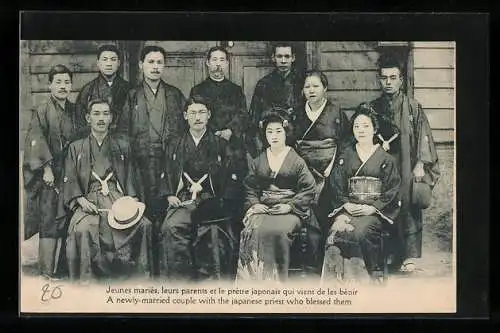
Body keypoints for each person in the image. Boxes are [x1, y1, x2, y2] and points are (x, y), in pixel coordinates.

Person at [60, 98, 153, 283]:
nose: (101, 119)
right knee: (85, 228)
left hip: (117, 196)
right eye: (96, 114)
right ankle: (88, 279)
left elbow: (130, 178)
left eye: (105, 114)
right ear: (88, 118)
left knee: (144, 224)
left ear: (111, 118)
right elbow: (69, 179)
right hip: (89, 198)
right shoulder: (76, 147)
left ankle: (137, 277)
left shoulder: (122, 145)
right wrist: (80, 200)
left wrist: (131, 200)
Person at [159, 95, 248, 281]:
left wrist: (223, 201)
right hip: (184, 197)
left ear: (209, 115)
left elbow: (233, 177)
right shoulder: (175, 144)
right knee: (171, 227)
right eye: (192, 113)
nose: (197, 117)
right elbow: (166, 172)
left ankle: (210, 283)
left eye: (201, 112)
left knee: (212, 230)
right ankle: (180, 282)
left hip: (211, 198)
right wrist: (169, 195)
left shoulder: (221, 144)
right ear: (185, 116)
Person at [369, 55, 440, 273]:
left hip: (406, 163)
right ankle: (389, 252)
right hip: (382, 164)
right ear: (379, 81)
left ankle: (409, 255)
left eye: (393, 77)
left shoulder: (412, 107)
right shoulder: (372, 107)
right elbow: (361, 134)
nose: (388, 82)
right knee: (385, 203)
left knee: (407, 204)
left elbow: (424, 137)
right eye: (384, 78)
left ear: (401, 80)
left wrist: (421, 163)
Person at [320, 105, 401, 283]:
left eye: (366, 126)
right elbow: (336, 185)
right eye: (357, 126)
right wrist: (346, 204)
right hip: (348, 209)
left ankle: (369, 278)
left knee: (362, 231)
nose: (361, 130)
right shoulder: (345, 156)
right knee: (335, 232)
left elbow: (392, 190)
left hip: (373, 212)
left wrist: (372, 208)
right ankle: (336, 284)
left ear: (375, 129)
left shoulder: (387, 159)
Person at [236, 112, 318, 282]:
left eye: (278, 131)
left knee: (277, 231)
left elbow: (309, 187)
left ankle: (276, 280)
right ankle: (253, 281)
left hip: (289, 210)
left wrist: (290, 206)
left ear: (286, 133)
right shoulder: (258, 161)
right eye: (269, 132)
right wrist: (254, 205)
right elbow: (249, 187)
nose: (274, 136)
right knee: (251, 229)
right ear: (264, 135)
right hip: (264, 207)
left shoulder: (296, 160)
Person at [23, 64, 86, 279]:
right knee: (50, 219)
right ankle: (46, 271)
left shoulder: (76, 111)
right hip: (50, 174)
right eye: (58, 82)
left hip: (71, 172)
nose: (62, 86)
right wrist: (47, 169)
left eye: (66, 82)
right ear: (49, 85)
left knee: (68, 219)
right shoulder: (42, 110)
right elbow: (36, 140)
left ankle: (65, 269)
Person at [292, 70, 352, 272]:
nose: (311, 90)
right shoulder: (296, 113)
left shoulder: (336, 112)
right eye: (307, 86)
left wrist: (332, 168)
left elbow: (345, 142)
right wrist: (302, 170)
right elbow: (292, 145)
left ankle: (326, 262)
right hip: (304, 171)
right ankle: (307, 260)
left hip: (331, 170)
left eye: (316, 86)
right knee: (305, 210)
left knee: (328, 208)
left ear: (325, 88)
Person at [122, 45, 187, 225]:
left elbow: (183, 129)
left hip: (169, 161)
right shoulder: (132, 95)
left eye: (160, 62)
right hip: (141, 162)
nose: (155, 66)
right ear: (142, 64)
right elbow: (123, 133)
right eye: (151, 62)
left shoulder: (174, 94)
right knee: (144, 212)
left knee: (167, 213)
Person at [188, 46, 256, 158]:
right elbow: (195, 116)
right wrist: (212, 133)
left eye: (222, 60)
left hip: (232, 142)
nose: (218, 64)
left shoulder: (236, 90)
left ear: (227, 63)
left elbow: (243, 115)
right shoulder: (198, 90)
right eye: (214, 60)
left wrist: (230, 131)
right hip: (207, 141)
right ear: (208, 63)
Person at [249, 42, 304, 152]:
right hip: (268, 139)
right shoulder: (263, 84)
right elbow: (254, 116)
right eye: (279, 56)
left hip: (294, 140)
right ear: (273, 58)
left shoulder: (301, 83)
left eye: (287, 56)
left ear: (293, 58)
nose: (283, 61)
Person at [74, 44, 131, 136]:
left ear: (119, 63)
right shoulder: (88, 89)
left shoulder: (129, 89)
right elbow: (80, 121)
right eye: (104, 59)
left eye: (113, 59)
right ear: (98, 63)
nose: (109, 64)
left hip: (123, 142)